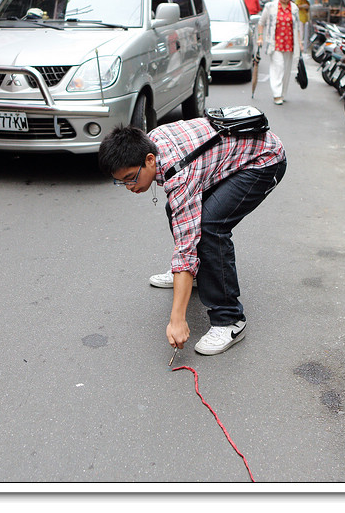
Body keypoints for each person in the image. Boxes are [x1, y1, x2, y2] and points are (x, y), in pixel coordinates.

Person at [98, 121, 287, 356]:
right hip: (225, 158)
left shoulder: (178, 174)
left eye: (130, 178)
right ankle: (199, 275)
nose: (128, 186)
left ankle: (229, 320)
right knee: (176, 209)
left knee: (210, 226)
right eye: (121, 181)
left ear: (149, 160)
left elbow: (186, 248)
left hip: (263, 160)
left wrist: (177, 319)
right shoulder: (153, 143)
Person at [257, 0, 304, 105]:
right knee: (278, 67)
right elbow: (261, 23)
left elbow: (297, 28)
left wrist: (300, 43)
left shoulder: (294, 8)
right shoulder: (270, 6)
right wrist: (260, 37)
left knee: (287, 70)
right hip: (275, 43)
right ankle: (276, 94)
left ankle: (283, 93)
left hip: (289, 43)